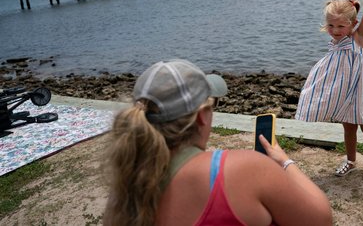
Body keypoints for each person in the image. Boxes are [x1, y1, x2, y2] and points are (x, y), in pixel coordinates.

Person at [103, 59, 332, 226]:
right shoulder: (244, 170)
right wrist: (284, 161)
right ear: (202, 115)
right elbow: (321, 219)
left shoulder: (125, 195)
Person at [295, 0, 363, 179]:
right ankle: (350, 160)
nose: (335, 31)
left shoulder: (358, 38)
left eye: (341, 26)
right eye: (331, 26)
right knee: (348, 127)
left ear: (353, 23)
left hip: (360, 88)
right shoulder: (334, 43)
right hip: (343, 91)